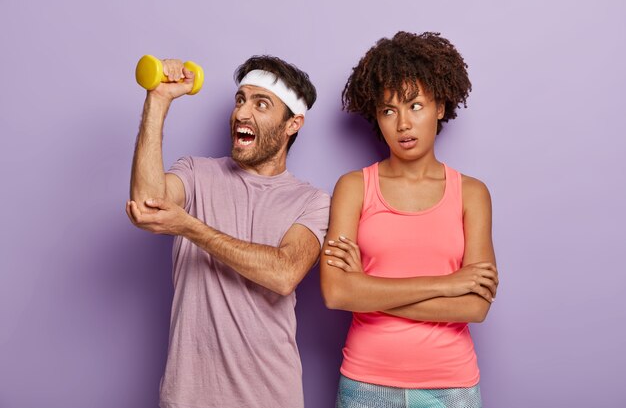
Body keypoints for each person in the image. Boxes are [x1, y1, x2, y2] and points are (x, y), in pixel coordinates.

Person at [126, 55, 330, 408]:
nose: (241, 114)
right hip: (186, 398)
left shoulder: (311, 201)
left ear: (292, 124)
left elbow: (284, 273)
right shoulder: (195, 172)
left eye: (260, 103)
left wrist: (189, 226)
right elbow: (147, 205)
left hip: (269, 398)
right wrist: (157, 100)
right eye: (240, 100)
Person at [320, 31, 499, 408]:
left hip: (451, 385)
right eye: (389, 110)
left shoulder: (472, 194)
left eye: (415, 105)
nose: (403, 123)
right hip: (366, 383)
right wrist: (447, 284)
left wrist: (367, 290)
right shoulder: (354, 187)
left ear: (439, 106)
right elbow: (337, 293)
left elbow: (476, 306)